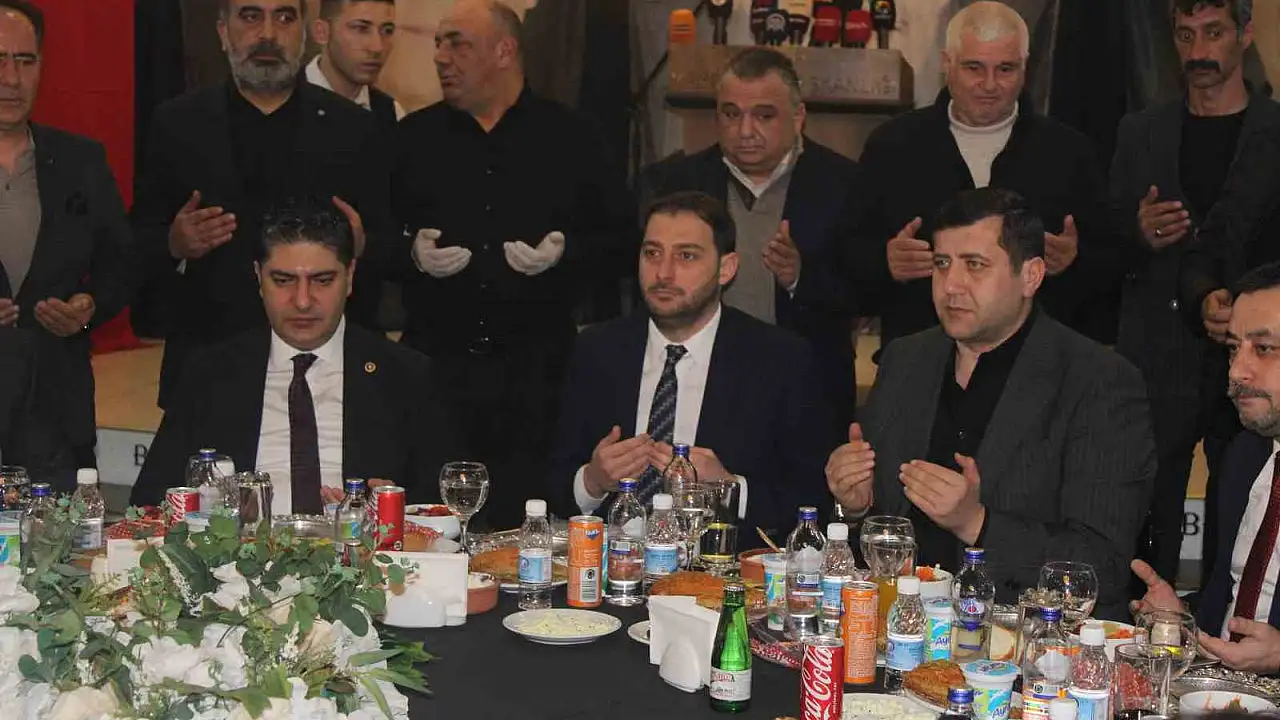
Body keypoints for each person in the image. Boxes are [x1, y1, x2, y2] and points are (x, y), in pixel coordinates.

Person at [826, 188, 1154, 619]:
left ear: (1030, 276)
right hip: (903, 626)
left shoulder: (1098, 380)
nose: (951, 285)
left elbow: (1103, 564)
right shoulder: (905, 360)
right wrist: (855, 508)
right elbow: (878, 531)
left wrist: (976, 523)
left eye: (975, 265)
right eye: (942, 264)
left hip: (1031, 640)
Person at [392, 0, 634, 528]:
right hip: (436, 370)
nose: (441, 57)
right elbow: (367, 244)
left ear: (504, 51)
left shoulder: (573, 137)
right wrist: (411, 252)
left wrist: (563, 254)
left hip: (539, 378)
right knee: (432, 520)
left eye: (457, 43)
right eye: (438, 43)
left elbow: (622, 243)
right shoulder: (412, 139)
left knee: (529, 521)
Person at [131, 0, 393, 410]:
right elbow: (135, 242)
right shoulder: (178, 123)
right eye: (251, 16)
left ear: (304, 33)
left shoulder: (354, 128)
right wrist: (174, 243)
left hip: (328, 370)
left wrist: (362, 244)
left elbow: (388, 246)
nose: (268, 34)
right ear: (223, 31)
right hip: (209, 366)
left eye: (284, 17)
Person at [132, 198, 458, 514]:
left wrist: (394, 512)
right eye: (283, 281)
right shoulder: (212, 373)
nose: (302, 301)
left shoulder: (406, 375)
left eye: (322, 280)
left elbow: (445, 509)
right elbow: (150, 502)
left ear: (350, 277)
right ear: (259, 278)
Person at [548, 191, 837, 540]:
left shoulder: (780, 359)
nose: (663, 273)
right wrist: (592, 481)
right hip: (612, 562)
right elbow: (550, 482)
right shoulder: (598, 350)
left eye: (686, 256)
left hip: (724, 566)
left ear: (726, 269)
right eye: (652, 253)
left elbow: (811, 500)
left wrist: (728, 488)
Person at [1111, 0, 1280, 591]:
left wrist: (1240, 305)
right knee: (1148, 502)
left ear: (1245, 33)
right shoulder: (1139, 132)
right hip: (1158, 351)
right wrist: (1137, 231)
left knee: (1246, 494)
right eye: (1185, 35)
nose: (1199, 51)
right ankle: (1142, 622)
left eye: (1213, 33)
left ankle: (1230, 622)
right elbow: (1105, 246)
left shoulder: (1275, 131)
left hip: (1259, 348)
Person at [847, 1, 1116, 351]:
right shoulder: (892, 146)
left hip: (1035, 365)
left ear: (1025, 68)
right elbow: (846, 259)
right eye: (974, 67)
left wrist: (1073, 262)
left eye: (1005, 69)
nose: (989, 85)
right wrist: (886, 263)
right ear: (947, 64)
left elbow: (1111, 267)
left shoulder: (1069, 152)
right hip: (920, 362)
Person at [639, 47, 859, 424]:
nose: (745, 131)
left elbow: (866, 289)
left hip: (808, 384)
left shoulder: (844, 183)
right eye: (731, 114)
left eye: (763, 116)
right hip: (698, 380)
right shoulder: (677, 182)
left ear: (798, 117)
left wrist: (801, 279)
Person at [0, 1, 135, 476]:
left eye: (25, 61)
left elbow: (122, 263)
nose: (11, 79)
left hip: (56, 415)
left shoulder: (81, 161)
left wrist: (88, 306)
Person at [1133, 261, 1280, 674]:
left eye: (1263, 348)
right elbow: (1233, 602)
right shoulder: (1246, 457)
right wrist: (1183, 619)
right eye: (1233, 348)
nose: (1236, 371)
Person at [304, 0, 406, 131]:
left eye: (387, 31)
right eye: (361, 29)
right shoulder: (284, 100)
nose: (377, 47)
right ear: (322, 32)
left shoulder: (392, 114)